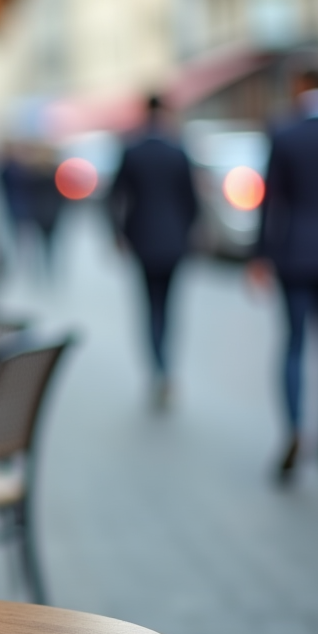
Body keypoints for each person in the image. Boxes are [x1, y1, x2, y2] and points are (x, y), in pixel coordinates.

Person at [251, 68, 318, 481]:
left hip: (296, 254)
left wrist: (260, 256)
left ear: (299, 87)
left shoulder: (284, 134)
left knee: (294, 344)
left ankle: (294, 428)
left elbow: (270, 201)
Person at [108, 95, 198, 405]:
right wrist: (188, 233)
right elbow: (192, 201)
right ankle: (166, 367)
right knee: (169, 308)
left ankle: (158, 368)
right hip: (174, 242)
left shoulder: (133, 150)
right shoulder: (178, 150)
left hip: (143, 240)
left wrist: (118, 234)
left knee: (150, 308)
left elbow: (114, 196)